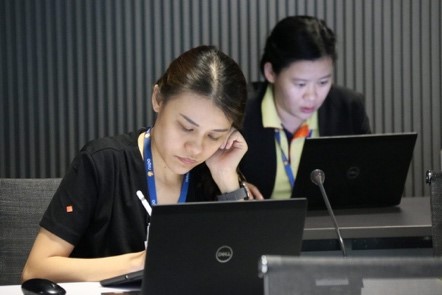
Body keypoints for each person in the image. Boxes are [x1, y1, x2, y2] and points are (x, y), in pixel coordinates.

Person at [22, 45, 257, 283]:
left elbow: (250, 270)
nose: (196, 148)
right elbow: (36, 270)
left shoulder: (213, 172)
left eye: (214, 136)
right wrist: (141, 262)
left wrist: (228, 180)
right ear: (158, 99)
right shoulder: (103, 162)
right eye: (186, 128)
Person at [240, 16, 371, 200]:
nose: (312, 95)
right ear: (270, 72)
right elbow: (205, 183)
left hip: (331, 224)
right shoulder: (239, 112)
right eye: (300, 84)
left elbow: (369, 180)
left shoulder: (348, 109)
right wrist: (236, 186)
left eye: (323, 82)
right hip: (260, 225)